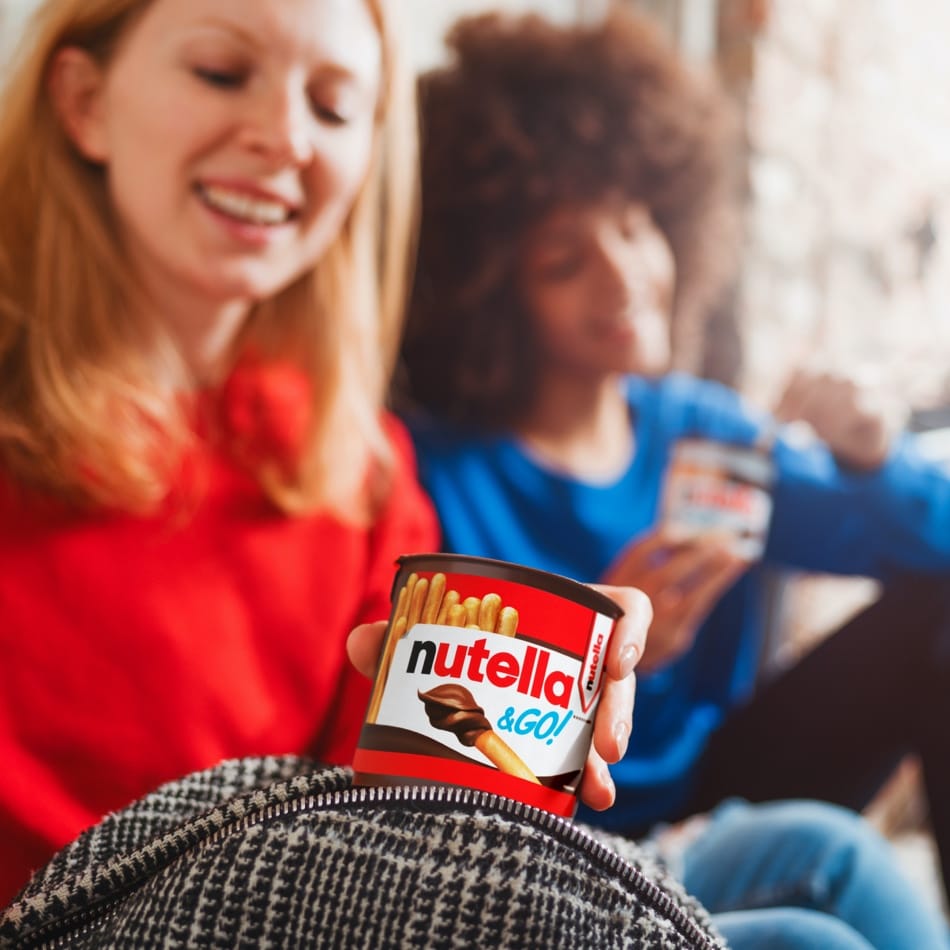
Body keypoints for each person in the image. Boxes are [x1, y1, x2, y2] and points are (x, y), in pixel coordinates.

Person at [0, 0, 645, 907]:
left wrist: (545, 715)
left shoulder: (358, 463)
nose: (285, 139)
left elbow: (411, 833)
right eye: (222, 74)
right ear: (84, 103)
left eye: (335, 108)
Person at [399, 8, 950, 947]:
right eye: (564, 262)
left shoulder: (703, 431)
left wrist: (871, 453)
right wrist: (603, 666)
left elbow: (934, 549)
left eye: (634, 226)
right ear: (488, 293)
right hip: (562, 840)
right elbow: (454, 793)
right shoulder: (436, 475)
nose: (623, 278)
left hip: (728, 794)